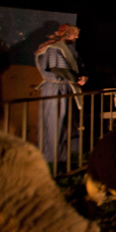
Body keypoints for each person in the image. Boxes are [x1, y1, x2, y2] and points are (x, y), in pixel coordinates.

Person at [34, 24, 87, 163]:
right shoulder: (54, 49)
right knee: (55, 121)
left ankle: (70, 155)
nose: (76, 37)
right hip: (56, 89)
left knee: (70, 121)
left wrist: (84, 77)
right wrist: (75, 78)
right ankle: (51, 157)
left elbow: (80, 66)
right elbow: (59, 70)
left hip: (69, 88)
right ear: (66, 34)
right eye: (74, 34)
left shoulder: (71, 49)